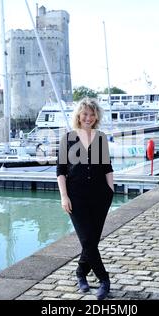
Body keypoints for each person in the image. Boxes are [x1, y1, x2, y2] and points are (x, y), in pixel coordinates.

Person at [56, 97, 114, 300]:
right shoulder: (68, 138)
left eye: (92, 114)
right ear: (78, 116)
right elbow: (61, 171)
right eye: (85, 114)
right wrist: (64, 196)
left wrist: (111, 190)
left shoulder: (101, 138)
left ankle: (81, 273)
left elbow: (107, 167)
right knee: (87, 240)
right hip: (76, 197)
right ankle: (104, 279)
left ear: (96, 116)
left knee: (92, 240)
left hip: (100, 196)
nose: (88, 117)